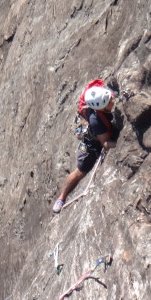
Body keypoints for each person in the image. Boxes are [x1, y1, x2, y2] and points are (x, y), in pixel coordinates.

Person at [52, 83, 117, 212]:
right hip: (90, 146)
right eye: (110, 100)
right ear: (102, 106)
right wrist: (117, 144)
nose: (113, 100)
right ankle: (61, 198)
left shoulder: (102, 94)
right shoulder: (96, 120)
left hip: (97, 133)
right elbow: (104, 142)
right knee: (81, 171)